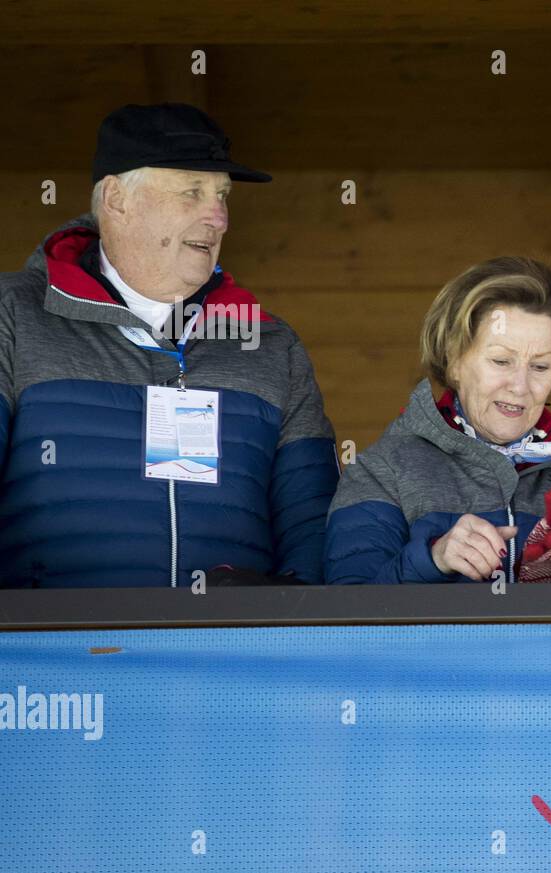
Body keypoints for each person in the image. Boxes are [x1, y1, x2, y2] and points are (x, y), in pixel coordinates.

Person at [0, 103, 338, 587]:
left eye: (222, 195)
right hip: (52, 652)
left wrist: (283, 619)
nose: (218, 217)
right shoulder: (13, 314)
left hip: (225, 653)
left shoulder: (268, 343)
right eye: (192, 192)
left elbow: (313, 525)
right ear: (117, 199)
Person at [325, 257, 551, 584]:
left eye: (540, 366)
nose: (520, 386)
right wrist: (431, 560)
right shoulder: (383, 472)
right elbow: (346, 616)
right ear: (453, 362)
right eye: (501, 360)